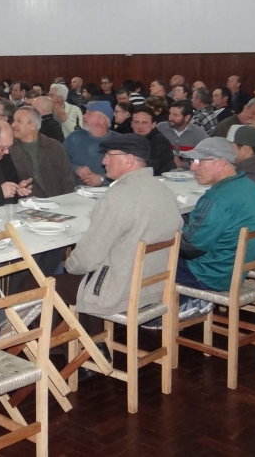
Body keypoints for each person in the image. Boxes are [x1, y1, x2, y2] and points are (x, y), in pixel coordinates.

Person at [56, 134, 182, 335]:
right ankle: (94, 344)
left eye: (108, 155)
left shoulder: (118, 196)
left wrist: (68, 265)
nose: (103, 161)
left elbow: (86, 259)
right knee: (91, 273)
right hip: (155, 286)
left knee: (39, 284)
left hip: (121, 290)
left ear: (129, 159)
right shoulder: (164, 191)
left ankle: (61, 351)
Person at [177, 139, 255, 305]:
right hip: (234, 271)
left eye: (198, 161)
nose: (192, 167)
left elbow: (190, 248)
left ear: (220, 163)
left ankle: (173, 309)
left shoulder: (217, 198)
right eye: (192, 161)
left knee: (148, 258)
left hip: (210, 276)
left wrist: (167, 229)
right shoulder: (250, 186)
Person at [8, 107, 75, 198]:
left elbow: (67, 178)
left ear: (33, 125)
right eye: (14, 120)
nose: (13, 125)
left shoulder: (54, 146)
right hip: (25, 204)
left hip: (57, 201)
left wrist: (66, 200)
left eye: (19, 121)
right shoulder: (8, 149)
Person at [63, 102, 114, 187]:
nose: (84, 116)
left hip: (109, 192)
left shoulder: (118, 141)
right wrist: (76, 169)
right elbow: (58, 161)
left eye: (89, 114)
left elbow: (126, 174)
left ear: (102, 120)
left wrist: (102, 179)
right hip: (75, 191)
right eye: (85, 113)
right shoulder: (74, 137)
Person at [157, 101, 209, 165]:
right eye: (170, 113)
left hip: (189, 173)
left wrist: (184, 164)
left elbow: (205, 159)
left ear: (187, 118)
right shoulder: (160, 128)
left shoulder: (199, 134)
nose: (170, 118)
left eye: (175, 115)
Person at [130, 107, 176, 175]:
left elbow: (150, 168)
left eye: (144, 123)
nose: (140, 126)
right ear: (131, 124)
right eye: (136, 122)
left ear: (153, 124)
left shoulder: (160, 142)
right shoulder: (130, 140)